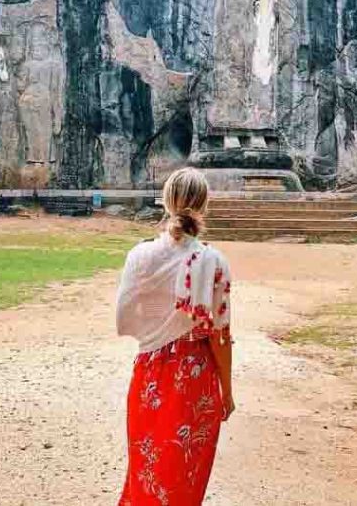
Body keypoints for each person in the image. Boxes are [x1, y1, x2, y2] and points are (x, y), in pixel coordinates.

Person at [116, 167, 234, 505]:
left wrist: (155, 335)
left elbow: (125, 315)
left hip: (149, 373)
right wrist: (227, 390)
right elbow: (220, 335)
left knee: (146, 470)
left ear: (166, 201)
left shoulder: (140, 256)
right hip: (195, 376)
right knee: (184, 478)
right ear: (204, 204)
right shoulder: (212, 261)